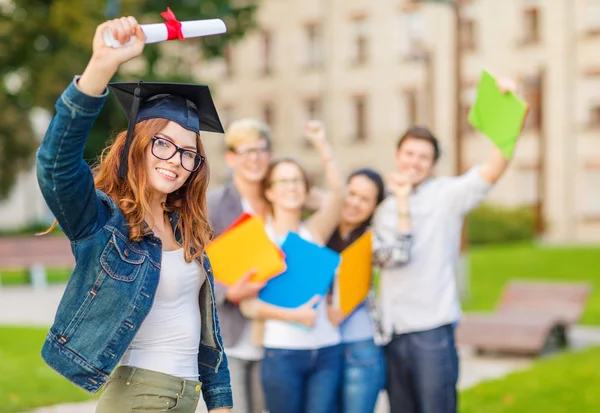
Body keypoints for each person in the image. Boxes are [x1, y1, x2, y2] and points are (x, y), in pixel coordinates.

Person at [36, 17, 231, 412]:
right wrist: (101, 68)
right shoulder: (103, 223)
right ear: (137, 146)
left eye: (188, 153)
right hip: (138, 399)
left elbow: (205, 331)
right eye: (163, 144)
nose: (175, 161)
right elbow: (55, 165)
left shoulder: (186, 229)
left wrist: (221, 403)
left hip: (185, 398)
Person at [375, 78, 520, 413]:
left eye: (423, 157)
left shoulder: (447, 196)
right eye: (409, 153)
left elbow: (494, 168)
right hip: (392, 333)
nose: (414, 162)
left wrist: (509, 110)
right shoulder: (382, 207)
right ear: (397, 155)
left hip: (432, 333)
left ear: (433, 163)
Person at [239, 121, 345, 413]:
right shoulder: (259, 238)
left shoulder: (315, 231)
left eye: (297, 180)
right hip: (282, 352)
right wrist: (294, 315)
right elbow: (249, 307)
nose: (292, 187)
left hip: (327, 350)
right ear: (270, 192)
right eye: (284, 181)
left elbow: (338, 194)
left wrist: (322, 145)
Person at [326, 168, 411, 413]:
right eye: (351, 194)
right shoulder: (320, 230)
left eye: (365, 199)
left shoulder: (369, 240)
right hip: (321, 348)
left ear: (375, 207)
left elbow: (401, 254)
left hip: (359, 347)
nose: (354, 203)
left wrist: (403, 202)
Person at [207, 119, 273, 413]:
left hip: (273, 333)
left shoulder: (279, 201)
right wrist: (229, 291)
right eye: (246, 151)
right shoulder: (214, 204)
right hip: (231, 334)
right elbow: (195, 264)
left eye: (261, 150)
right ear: (231, 157)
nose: (255, 158)